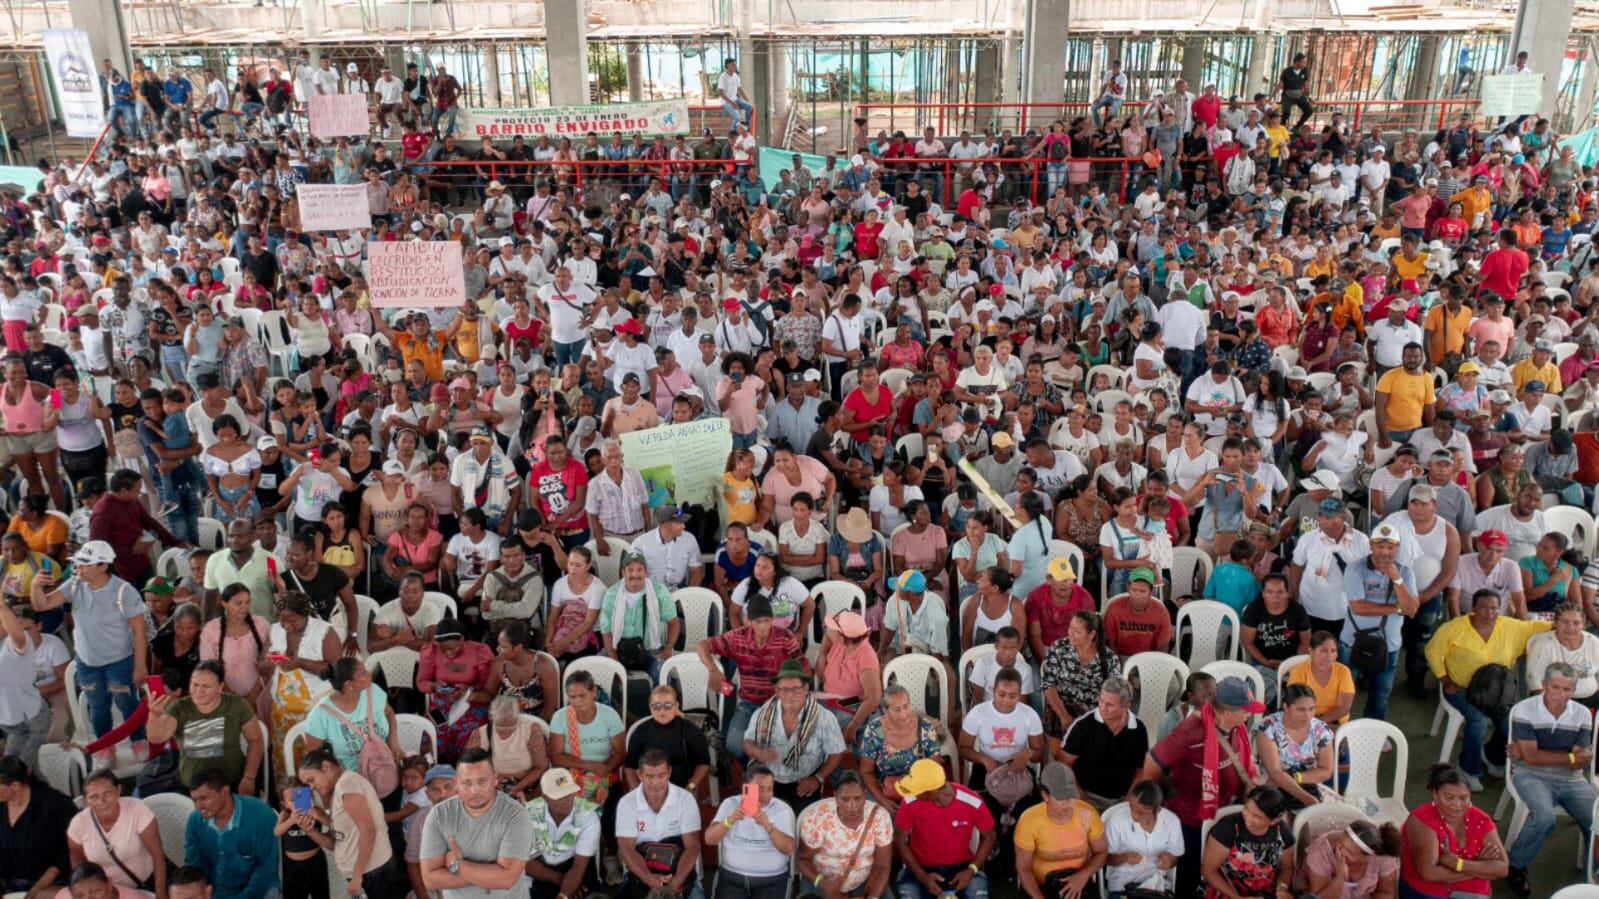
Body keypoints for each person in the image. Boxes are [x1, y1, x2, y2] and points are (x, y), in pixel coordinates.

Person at [1138, 676, 1265, 899]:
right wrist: (1155, 806)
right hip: (1190, 819)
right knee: (1190, 875)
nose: (1249, 715)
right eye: (1246, 711)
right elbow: (1152, 762)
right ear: (1226, 713)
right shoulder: (1190, 731)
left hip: (1224, 812)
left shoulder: (1237, 727)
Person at [29, 540, 147, 764]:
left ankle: (138, 738)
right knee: (98, 705)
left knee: (126, 702)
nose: (79, 568)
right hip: (87, 663)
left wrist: (140, 666)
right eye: (78, 563)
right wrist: (35, 587)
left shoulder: (124, 591)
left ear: (103, 566)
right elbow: (41, 605)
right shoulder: (74, 586)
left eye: (85, 564)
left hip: (119, 661)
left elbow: (139, 632)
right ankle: (104, 744)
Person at [1425, 588, 1552, 790]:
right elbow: (1432, 650)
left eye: (1494, 608)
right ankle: (1468, 769)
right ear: (1474, 608)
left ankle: (1492, 756)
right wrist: (1445, 680)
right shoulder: (1455, 627)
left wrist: (1568, 623)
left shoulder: (1510, 626)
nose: (1489, 612)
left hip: (1498, 690)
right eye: (1483, 608)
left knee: (1511, 721)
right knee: (1478, 720)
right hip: (1461, 688)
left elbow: (1539, 626)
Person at [1502, 661, 1595, 895]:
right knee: (1544, 818)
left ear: (1574, 691)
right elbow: (1532, 759)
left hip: (1573, 779)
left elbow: (1582, 760)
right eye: (1555, 688)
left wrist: (1533, 753)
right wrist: (1571, 758)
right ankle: (1515, 865)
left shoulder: (1583, 714)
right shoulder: (1524, 710)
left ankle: (1591, 875)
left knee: (1595, 819)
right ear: (1544, 685)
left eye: (1567, 690)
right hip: (1530, 775)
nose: (1561, 695)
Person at [418, 746, 535, 898]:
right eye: (466, 783)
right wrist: (490, 872)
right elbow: (430, 879)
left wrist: (457, 864)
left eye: (482, 781)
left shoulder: (516, 815)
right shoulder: (439, 815)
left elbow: (506, 879)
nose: (474, 790)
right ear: (456, 783)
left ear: (495, 779)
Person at [699, 594, 802, 763]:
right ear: (748, 622)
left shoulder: (786, 637)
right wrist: (713, 670)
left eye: (767, 621)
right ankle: (753, 770)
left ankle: (765, 776)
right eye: (758, 622)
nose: (763, 626)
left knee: (784, 746)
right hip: (748, 703)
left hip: (778, 703)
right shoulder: (737, 637)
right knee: (734, 745)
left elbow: (802, 667)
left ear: (773, 619)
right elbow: (702, 645)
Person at [297, 746, 405, 899]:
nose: (311, 788)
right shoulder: (338, 789)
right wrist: (312, 830)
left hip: (374, 873)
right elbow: (338, 841)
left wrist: (357, 876)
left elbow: (368, 831)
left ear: (326, 767)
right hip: (364, 873)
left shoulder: (348, 785)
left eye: (311, 780)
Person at [742, 658, 847, 813]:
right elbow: (747, 743)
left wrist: (818, 778)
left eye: (796, 689)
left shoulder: (824, 717)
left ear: (806, 689)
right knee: (750, 814)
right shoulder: (762, 714)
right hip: (767, 775)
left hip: (804, 780)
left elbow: (838, 751)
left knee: (804, 826)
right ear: (777, 690)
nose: (790, 695)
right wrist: (758, 752)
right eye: (784, 689)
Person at [145, 661, 265, 793]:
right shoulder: (179, 708)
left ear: (220, 687)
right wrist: (154, 715)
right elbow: (157, 738)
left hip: (232, 782)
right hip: (193, 785)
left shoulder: (236, 705)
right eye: (194, 684)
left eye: (206, 686)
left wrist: (249, 777)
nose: (198, 691)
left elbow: (256, 740)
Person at [892, 758, 997, 899]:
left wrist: (971, 870)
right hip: (919, 868)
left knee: (977, 892)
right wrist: (923, 876)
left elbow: (990, 836)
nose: (913, 793)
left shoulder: (972, 801)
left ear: (932, 791)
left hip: (962, 867)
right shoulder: (910, 800)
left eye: (917, 790)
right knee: (910, 892)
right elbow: (899, 839)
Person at [1399, 764, 1509, 898]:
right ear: (1435, 794)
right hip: (1429, 890)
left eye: (1463, 798)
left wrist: (1458, 864)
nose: (1457, 805)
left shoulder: (1481, 819)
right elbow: (1429, 874)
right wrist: (1480, 866)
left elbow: (1502, 868)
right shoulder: (1422, 819)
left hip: (1471, 889)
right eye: (1449, 797)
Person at [615, 748, 706, 899]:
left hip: (679, 874)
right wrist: (649, 879)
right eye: (649, 776)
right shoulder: (627, 803)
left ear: (669, 772)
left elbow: (692, 847)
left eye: (661, 776)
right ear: (639, 775)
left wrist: (675, 883)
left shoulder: (685, 799)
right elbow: (627, 850)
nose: (656, 783)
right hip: (641, 873)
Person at [958, 664, 1044, 819]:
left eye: (1013, 696)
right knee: (981, 813)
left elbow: (1039, 755)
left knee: (1029, 815)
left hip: (1018, 768)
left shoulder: (1029, 715)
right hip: (987, 767)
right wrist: (983, 759)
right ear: (992, 691)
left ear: (1020, 694)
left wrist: (1027, 754)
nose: (1006, 700)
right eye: (1001, 694)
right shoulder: (978, 712)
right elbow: (963, 748)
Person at [1013, 762, 1108, 899]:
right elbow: (1023, 868)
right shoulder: (1029, 821)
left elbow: (1101, 852)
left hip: (1078, 881)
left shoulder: (1087, 814)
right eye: (1061, 798)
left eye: (1070, 796)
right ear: (1045, 795)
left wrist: (1082, 876)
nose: (1068, 803)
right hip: (1041, 886)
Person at [183, 766, 281, 899]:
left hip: (258, 890)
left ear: (224, 791)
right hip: (215, 891)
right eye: (195, 800)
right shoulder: (195, 820)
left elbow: (265, 870)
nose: (198, 806)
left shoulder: (262, 816)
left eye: (204, 798)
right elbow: (193, 866)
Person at [796, 770, 894, 899]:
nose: (851, 806)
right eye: (844, 799)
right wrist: (822, 882)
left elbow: (882, 865)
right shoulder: (817, 817)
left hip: (864, 881)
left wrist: (872, 897)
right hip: (821, 880)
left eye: (857, 798)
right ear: (835, 795)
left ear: (865, 794)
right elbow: (802, 859)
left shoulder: (880, 817)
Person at [65, 770, 165, 897]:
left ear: (118, 790)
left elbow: (157, 855)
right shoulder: (78, 824)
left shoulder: (137, 809)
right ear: (85, 801)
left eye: (107, 793)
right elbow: (78, 865)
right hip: (105, 893)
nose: (102, 801)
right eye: (94, 797)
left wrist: (160, 893)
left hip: (147, 883)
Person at [705, 762, 798, 899]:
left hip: (771, 881)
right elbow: (710, 839)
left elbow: (789, 849)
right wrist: (730, 820)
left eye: (770, 789)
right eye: (760, 789)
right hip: (732, 879)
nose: (765, 794)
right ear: (746, 787)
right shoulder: (730, 804)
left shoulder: (781, 809)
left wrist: (769, 827)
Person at [1057, 676, 1147, 809]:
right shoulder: (1083, 726)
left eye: (1110, 705)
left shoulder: (1138, 730)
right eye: (1101, 701)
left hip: (1122, 800)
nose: (1102, 707)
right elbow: (1063, 765)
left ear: (1126, 706)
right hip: (1087, 797)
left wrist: (1128, 801)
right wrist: (1081, 797)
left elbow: (1140, 771)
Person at [1200, 785, 1295, 899]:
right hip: (1227, 891)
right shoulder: (1227, 828)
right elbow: (1208, 871)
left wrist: (1282, 888)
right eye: (1247, 809)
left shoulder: (1282, 832)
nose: (1248, 817)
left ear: (1274, 821)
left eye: (1256, 816)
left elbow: (1287, 868)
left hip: (1265, 892)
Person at [858, 682, 945, 808]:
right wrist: (884, 801)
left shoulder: (925, 728)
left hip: (921, 790)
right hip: (886, 791)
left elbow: (934, 769)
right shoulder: (874, 730)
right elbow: (866, 771)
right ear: (885, 710)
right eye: (897, 709)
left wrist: (915, 797)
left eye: (906, 706)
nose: (904, 714)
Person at [0, 756, 76, 898]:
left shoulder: (54, 803)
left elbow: (71, 847)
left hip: (52, 885)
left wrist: (41, 885)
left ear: (15, 786)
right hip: (10, 887)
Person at [548, 670, 626, 804]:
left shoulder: (609, 715)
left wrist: (600, 772)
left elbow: (620, 753)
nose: (577, 701)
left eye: (582, 695)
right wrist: (588, 765)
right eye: (572, 697)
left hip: (605, 770)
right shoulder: (560, 717)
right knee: (559, 805)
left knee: (610, 812)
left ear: (594, 692)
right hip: (569, 773)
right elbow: (556, 756)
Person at [522, 767, 601, 899]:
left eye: (570, 793)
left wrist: (564, 895)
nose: (567, 800)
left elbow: (579, 866)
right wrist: (561, 880)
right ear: (545, 798)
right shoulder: (528, 813)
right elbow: (524, 862)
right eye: (560, 797)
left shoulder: (588, 816)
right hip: (540, 871)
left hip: (577, 870)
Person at [1254, 683, 1334, 810]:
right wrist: (1306, 798)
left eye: (1312, 709)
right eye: (1301, 709)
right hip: (1272, 785)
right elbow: (1274, 772)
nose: (1307, 715)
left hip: (1306, 783)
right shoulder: (1269, 727)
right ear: (1286, 707)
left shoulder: (1320, 730)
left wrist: (1295, 777)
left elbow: (1326, 771)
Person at [623, 683, 711, 795]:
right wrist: (637, 792)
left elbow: (703, 763)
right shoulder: (641, 731)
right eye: (656, 706)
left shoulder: (690, 730)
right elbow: (630, 766)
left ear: (676, 706)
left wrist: (691, 786)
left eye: (668, 705)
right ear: (650, 708)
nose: (662, 711)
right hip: (648, 789)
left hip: (683, 788)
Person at [1103, 780, 1183, 897]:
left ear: (1157, 810)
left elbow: (1174, 859)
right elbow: (1104, 859)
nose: (1134, 815)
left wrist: (1169, 861)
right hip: (1122, 885)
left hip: (1156, 886)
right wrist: (1124, 857)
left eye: (1141, 813)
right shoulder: (1117, 821)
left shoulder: (1171, 822)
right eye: (1131, 807)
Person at [465, 694, 550, 799]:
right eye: (500, 726)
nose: (506, 729)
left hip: (527, 785)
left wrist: (518, 787)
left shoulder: (530, 729)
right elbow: (470, 767)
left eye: (511, 725)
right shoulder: (481, 734)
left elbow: (540, 767)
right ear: (492, 718)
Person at [0, 594, 48, 770]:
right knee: (23, 774)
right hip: (11, 723)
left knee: (19, 773)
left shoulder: (16, 643)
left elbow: (17, 636)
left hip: (32, 720)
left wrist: (2, 607)